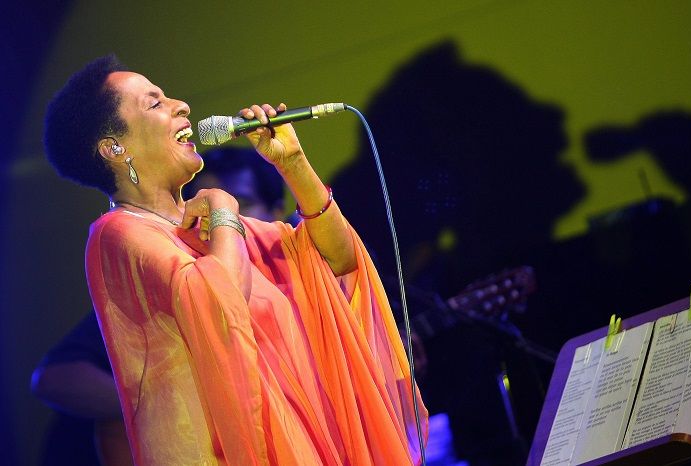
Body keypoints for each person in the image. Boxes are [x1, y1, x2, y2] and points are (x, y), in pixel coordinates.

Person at [43, 54, 427, 465]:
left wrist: (293, 164)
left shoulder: (216, 227)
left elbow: (337, 259)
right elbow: (220, 305)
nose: (181, 105)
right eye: (154, 103)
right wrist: (223, 205)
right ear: (114, 148)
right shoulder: (119, 233)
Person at [30, 147, 293, 466]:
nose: (223, 218)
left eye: (241, 203)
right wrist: (165, 407)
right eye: (207, 206)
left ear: (277, 213)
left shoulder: (291, 279)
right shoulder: (176, 280)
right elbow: (53, 376)